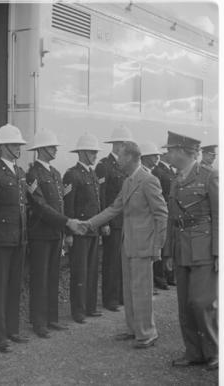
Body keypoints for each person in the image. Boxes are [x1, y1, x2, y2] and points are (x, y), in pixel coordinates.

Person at [81, 141, 168, 348]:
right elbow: (114, 208)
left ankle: (148, 333)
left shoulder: (148, 180)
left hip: (143, 245)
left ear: (129, 157)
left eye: (120, 156)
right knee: (129, 290)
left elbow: (161, 214)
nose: (117, 159)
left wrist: (158, 246)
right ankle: (134, 329)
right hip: (128, 243)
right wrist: (89, 224)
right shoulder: (129, 181)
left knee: (142, 291)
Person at [163, 131, 218, 370]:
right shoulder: (176, 179)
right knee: (185, 304)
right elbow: (172, 219)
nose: (167, 154)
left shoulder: (209, 176)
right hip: (182, 248)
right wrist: (167, 252)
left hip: (204, 249)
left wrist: (218, 252)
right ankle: (193, 352)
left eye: (170, 150)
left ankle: (214, 350)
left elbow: (219, 217)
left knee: (201, 302)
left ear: (183, 152)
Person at [26, 129, 81, 338]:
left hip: (55, 233)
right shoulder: (33, 174)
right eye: (51, 147)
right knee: (40, 278)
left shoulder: (56, 174)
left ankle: (51, 318)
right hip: (40, 233)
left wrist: (66, 230)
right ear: (40, 149)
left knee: (52, 277)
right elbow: (40, 205)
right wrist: (66, 222)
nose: (55, 150)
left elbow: (62, 204)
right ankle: (39, 322)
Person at [0, 124, 28, 353]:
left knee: (14, 286)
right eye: (13, 145)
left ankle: (12, 329)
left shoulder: (20, 173)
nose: (18, 148)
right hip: (1, 241)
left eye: (19, 145)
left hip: (19, 239)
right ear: (2, 147)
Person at [63, 133, 102, 324]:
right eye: (93, 152)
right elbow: (68, 206)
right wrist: (69, 233)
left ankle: (90, 306)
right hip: (79, 231)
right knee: (80, 271)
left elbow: (98, 203)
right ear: (83, 153)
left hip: (92, 230)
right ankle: (78, 311)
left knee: (92, 270)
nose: (95, 156)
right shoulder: (72, 175)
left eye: (95, 152)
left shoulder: (92, 174)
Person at [95, 127, 132, 312]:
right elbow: (101, 196)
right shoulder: (104, 165)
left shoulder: (125, 166)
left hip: (125, 221)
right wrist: (105, 222)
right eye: (123, 144)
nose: (125, 148)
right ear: (116, 145)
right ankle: (110, 299)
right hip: (112, 221)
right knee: (111, 261)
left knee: (123, 260)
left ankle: (121, 295)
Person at [140, 142, 169, 291]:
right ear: (144, 157)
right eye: (154, 156)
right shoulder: (144, 176)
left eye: (158, 156)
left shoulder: (150, 174)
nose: (157, 158)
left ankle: (149, 285)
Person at [152, 150, 177, 287]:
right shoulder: (158, 171)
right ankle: (159, 277)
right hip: (162, 211)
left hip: (170, 211)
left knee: (169, 244)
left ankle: (168, 275)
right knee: (161, 244)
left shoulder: (171, 171)